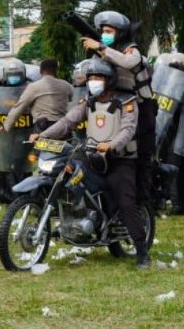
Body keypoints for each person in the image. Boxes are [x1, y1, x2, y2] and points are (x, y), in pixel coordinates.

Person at [31, 58, 150, 269]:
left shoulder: (127, 102)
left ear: (109, 80)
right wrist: (43, 136)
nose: (93, 82)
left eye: (98, 78)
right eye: (91, 78)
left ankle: (142, 251)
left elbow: (128, 129)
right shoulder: (88, 101)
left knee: (126, 202)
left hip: (119, 160)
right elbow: (68, 122)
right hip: (90, 155)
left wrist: (113, 144)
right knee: (68, 179)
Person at [81, 11, 154, 204]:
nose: (104, 34)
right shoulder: (107, 51)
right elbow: (99, 76)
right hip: (115, 106)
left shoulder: (130, 49)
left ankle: (144, 203)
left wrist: (101, 46)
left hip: (140, 109)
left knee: (140, 156)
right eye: (102, 31)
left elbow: (129, 62)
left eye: (108, 31)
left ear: (120, 32)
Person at [154, 53, 184, 215]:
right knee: (181, 168)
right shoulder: (171, 85)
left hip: (183, 133)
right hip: (172, 132)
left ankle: (178, 205)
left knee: (173, 165)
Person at [0, 59, 34, 202]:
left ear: (24, 74)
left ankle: (24, 193)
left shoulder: (30, 87)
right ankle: (6, 192)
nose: (13, 77)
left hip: (24, 131)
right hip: (5, 133)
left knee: (22, 162)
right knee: (5, 161)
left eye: (17, 74)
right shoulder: (0, 88)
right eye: (10, 74)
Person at [0, 58, 72, 135]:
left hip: (44, 127)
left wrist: (5, 125)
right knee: (66, 147)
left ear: (40, 71)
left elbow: (20, 106)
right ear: (56, 71)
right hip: (63, 127)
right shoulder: (66, 85)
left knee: (42, 146)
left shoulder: (34, 87)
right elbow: (73, 100)